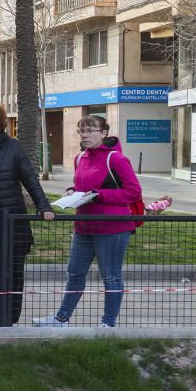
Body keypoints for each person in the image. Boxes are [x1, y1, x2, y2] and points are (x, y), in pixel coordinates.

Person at [34, 116, 142, 328]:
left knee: (111, 277)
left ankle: (108, 324)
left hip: (112, 228)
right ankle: (61, 319)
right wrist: (74, 191)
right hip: (84, 226)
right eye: (81, 130)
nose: (85, 134)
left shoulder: (116, 159)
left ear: (103, 133)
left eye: (90, 130)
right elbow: (82, 185)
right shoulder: (80, 158)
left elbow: (133, 192)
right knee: (74, 273)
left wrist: (100, 195)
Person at [0, 103, 54, 325]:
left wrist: (44, 207)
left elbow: (30, 180)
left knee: (13, 277)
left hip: (14, 227)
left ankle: (9, 322)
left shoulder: (14, 147)